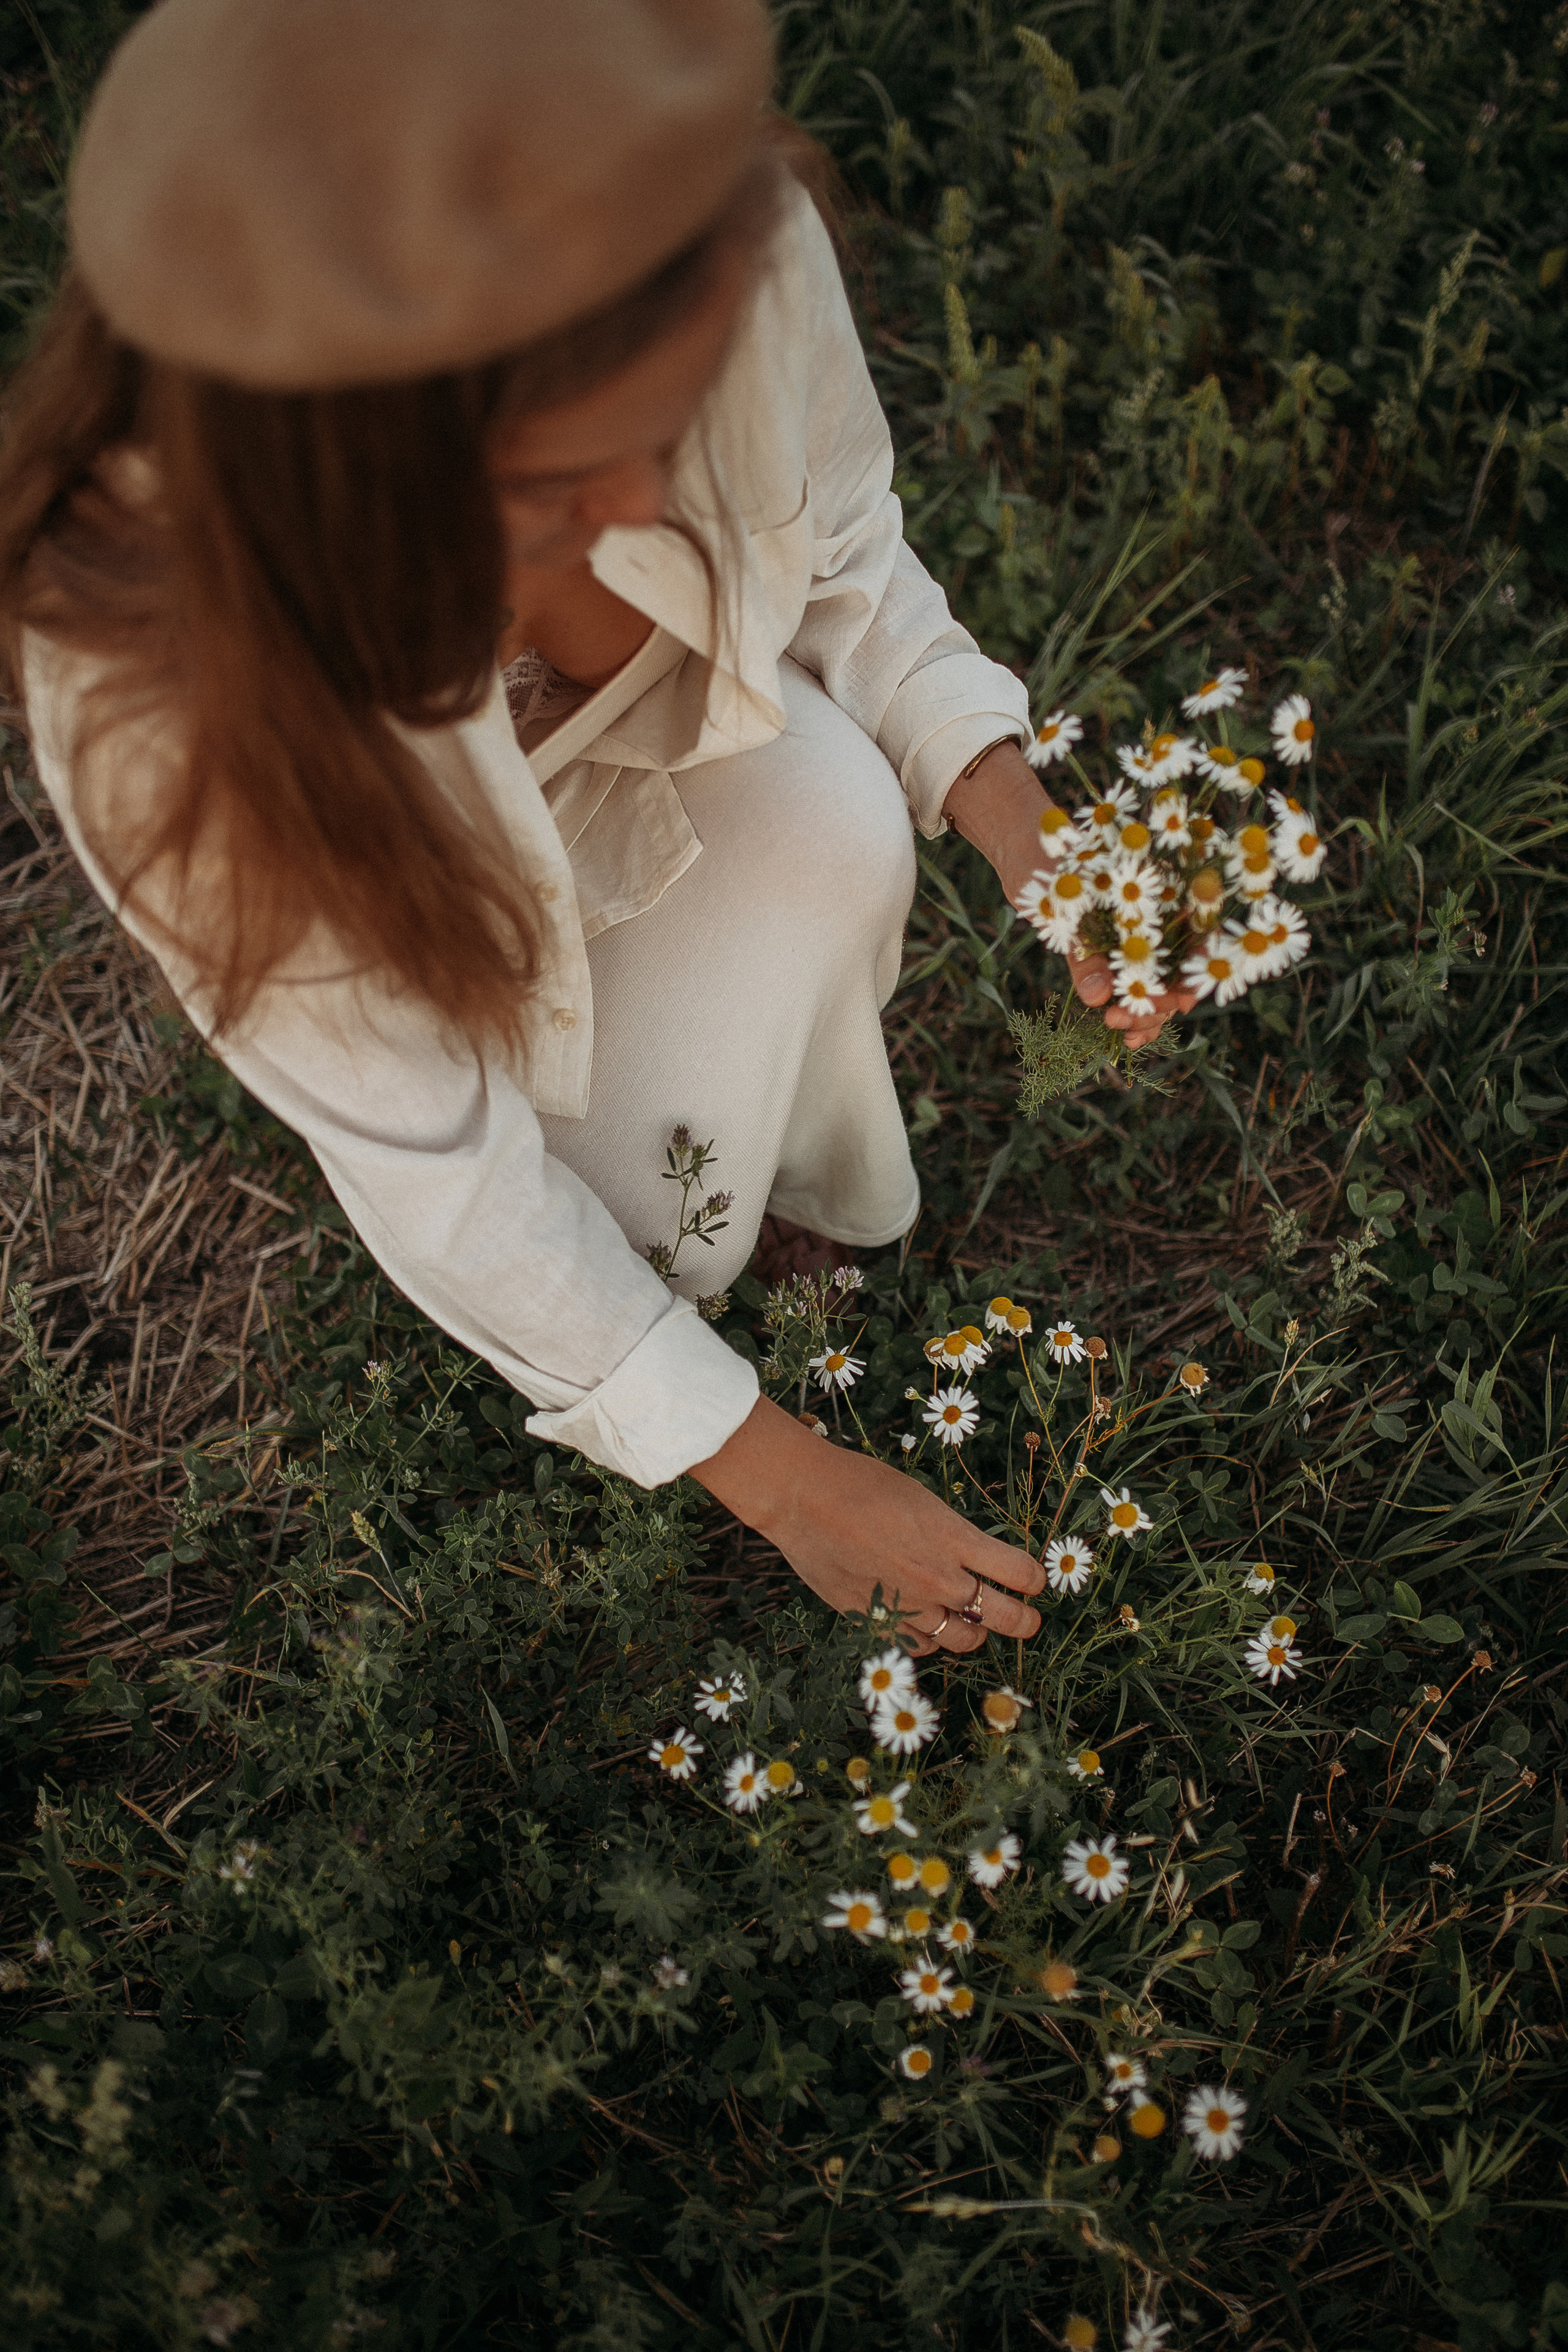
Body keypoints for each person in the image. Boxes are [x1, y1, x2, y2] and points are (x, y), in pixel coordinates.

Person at [0, 0, 1185, 1656]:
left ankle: (774, 1177)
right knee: (641, 1232)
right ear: (340, 486)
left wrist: (1017, 817)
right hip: (438, 886)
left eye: (668, 416)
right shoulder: (162, 698)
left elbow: (840, 544)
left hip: (658, 759)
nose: (640, 506)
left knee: (836, 824)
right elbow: (429, 1156)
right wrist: (780, 1474)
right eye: (561, 486)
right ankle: (677, 1246)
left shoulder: (718, 242)